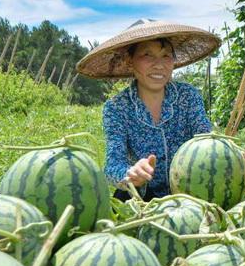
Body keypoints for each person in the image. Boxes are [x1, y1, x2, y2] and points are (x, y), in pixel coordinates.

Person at [76, 19, 222, 201]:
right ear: (130, 60)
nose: (159, 65)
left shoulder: (188, 96)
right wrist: (131, 173)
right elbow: (112, 166)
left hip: (190, 194)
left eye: (166, 56)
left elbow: (208, 140)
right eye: (147, 55)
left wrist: (232, 156)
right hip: (141, 197)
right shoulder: (116, 108)